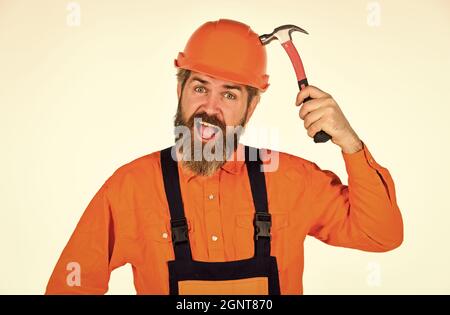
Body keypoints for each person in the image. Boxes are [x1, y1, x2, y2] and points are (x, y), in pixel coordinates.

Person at [46, 19, 403, 295]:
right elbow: (70, 285)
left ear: (251, 107)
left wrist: (350, 144)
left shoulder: (292, 181)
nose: (210, 109)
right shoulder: (131, 188)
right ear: (180, 89)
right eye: (200, 87)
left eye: (230, 95)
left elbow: (380, 235)